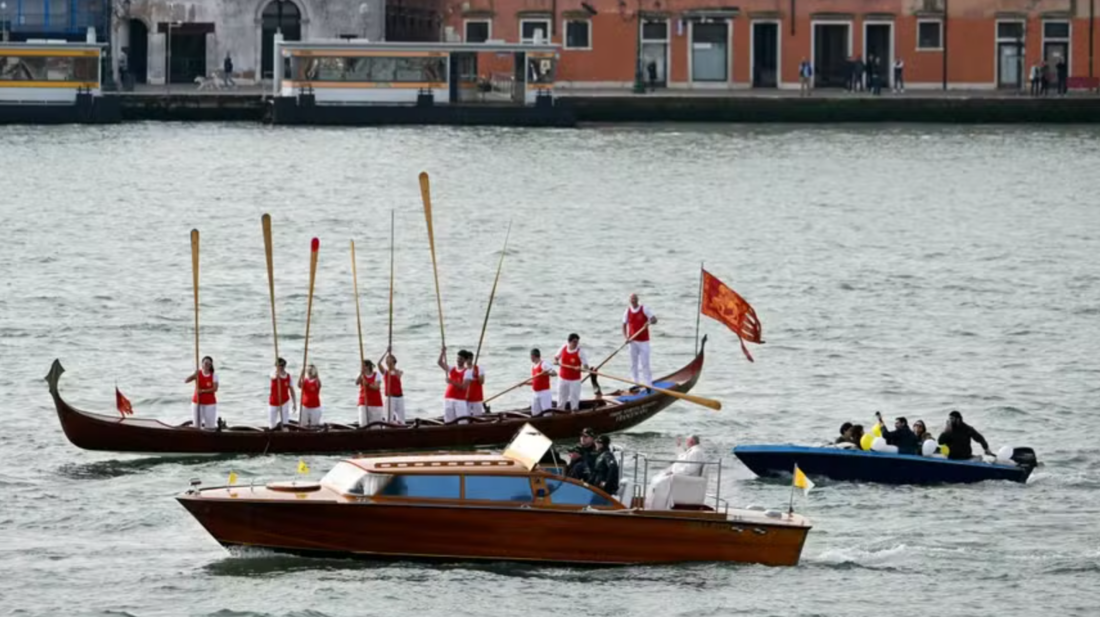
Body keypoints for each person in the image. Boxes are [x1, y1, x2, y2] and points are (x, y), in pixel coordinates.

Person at [645, 435, 707, 509]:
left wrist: (675, 472)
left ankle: (659, 507)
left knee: (660, 482)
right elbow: (682, 457)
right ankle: (651, 505)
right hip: (680, 474)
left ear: (691, 441)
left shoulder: (696, 452)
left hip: (685, 476)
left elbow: (690, 468)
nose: (686, 442)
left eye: (687, 441)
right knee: (656, 478)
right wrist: (679, 447)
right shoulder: (692, 451)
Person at [622, 293, 657, 388]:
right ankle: (635, 383)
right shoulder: (627, 311)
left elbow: (654, 320)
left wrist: (649, 322)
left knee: (645, 362)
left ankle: (648, 384)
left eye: (635, 299)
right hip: (632, 341)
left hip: (644, 341)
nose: (633, 300)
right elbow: (624, 325)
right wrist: (626, 337)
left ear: (637, 300)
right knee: (633, 363)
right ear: (630, 300)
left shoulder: (644, 309)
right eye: (632, 299)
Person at [554, 333, 589, 411]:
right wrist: (556, 361)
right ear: (569, 342)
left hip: (575, 380)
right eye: (574, 341)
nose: (576, 344)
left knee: (574, 398)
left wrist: (580, 368)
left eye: (577, 342)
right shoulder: (563, 347)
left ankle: (574, 411)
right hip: (562, 378)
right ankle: (560, 412)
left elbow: (586, 367)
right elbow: (556, 358)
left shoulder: (580, 351)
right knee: (561, 397)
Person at [184, 355, 218, 431]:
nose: (207, 365)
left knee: (210, 426)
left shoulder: (214, 375)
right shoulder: (198, 373)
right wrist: (194, 375)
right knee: (196, 426)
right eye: (205, 363)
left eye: (209, 363)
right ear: (202, 364)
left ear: (211, 365)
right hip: (197, 403)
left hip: (210, 403)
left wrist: (202, 391)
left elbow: (215, 389)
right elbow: (186, 381)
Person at [437, 347, 469, 423]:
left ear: (465, 360)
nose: (458, 360)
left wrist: (451, 382)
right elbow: (440, 363)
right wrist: (442, 352)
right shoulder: (452, 369)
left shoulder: (467, 372)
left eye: (461, 359)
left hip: (460, 400)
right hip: (448, 398)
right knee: (448, 421)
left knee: (462, 421)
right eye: (458, 358)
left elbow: (464, 387)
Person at [269, 357, 296, 430]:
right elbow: (273, 377)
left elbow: (292, 390)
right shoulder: (273, 373)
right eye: (278, 366)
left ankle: (285, 434)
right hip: (273, 402)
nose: (280, 368)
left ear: (284, 366)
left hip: (284, 402)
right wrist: (277, 376)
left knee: (285, 423)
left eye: (282, 366)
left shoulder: (288, 376)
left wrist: (294, 403)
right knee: (272, 424)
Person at [356, 359, 384, 428]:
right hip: (363, 402)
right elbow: (357, 382)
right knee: (363, 424)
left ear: (368, 366)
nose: (362, 367)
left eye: (363, 366)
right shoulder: (361, 375)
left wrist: (368, 384)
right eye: (361, 366)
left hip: (375, 403)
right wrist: (361, 374)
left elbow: (376, 387)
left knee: (376, 426)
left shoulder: (377, 374)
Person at [380, 348, 405, 424]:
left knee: (401, 419)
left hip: (399, 397)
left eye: (389, 360)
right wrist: (386, 352)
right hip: (390, 398)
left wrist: (392, 363)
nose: (387, 362)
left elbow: (398, 375)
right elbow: (378, 363)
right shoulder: (385, 372)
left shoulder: (399, 371)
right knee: (389, 419)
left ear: (393, 362)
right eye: (387, 361)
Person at [529, 348, 556, 416]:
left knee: (547, 413)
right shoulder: (533, 366)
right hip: (535, 393)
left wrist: (545, 374)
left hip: (544, 393)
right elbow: (535, 381)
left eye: (531, 356)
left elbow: (554, 373)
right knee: (535, 413)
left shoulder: (544, 364)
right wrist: (524, 383)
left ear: (534, 356)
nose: (530, 358)